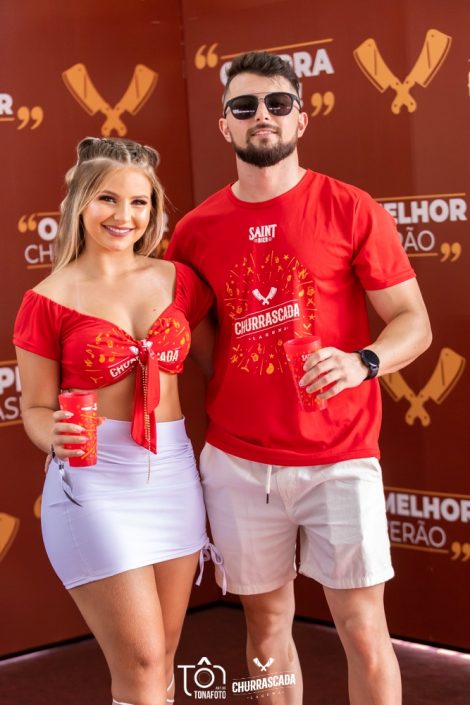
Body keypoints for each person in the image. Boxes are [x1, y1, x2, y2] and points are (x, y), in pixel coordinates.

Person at [166, 51, 432, 705]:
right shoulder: (195, 231)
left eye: (277, 103)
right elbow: (200, 340)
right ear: (225, 124)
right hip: (238, 461)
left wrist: (362, 362)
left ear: (300, 118)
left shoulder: (350, 208)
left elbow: (414, 323)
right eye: (245, 105)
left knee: (364, 630)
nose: (262, 115)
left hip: (339, 457)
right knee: (264, 629)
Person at [13, 137, 222, 705]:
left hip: (172, 474)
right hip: (94, 483)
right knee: (142, 659)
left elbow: (219, 363)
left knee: (164, 655)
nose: (124, 216)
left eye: (139, 202)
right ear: (79, 202)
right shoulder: (47, 299)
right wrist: (52, 434)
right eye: (107, 198)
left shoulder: (178, 280)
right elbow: (35, 408)